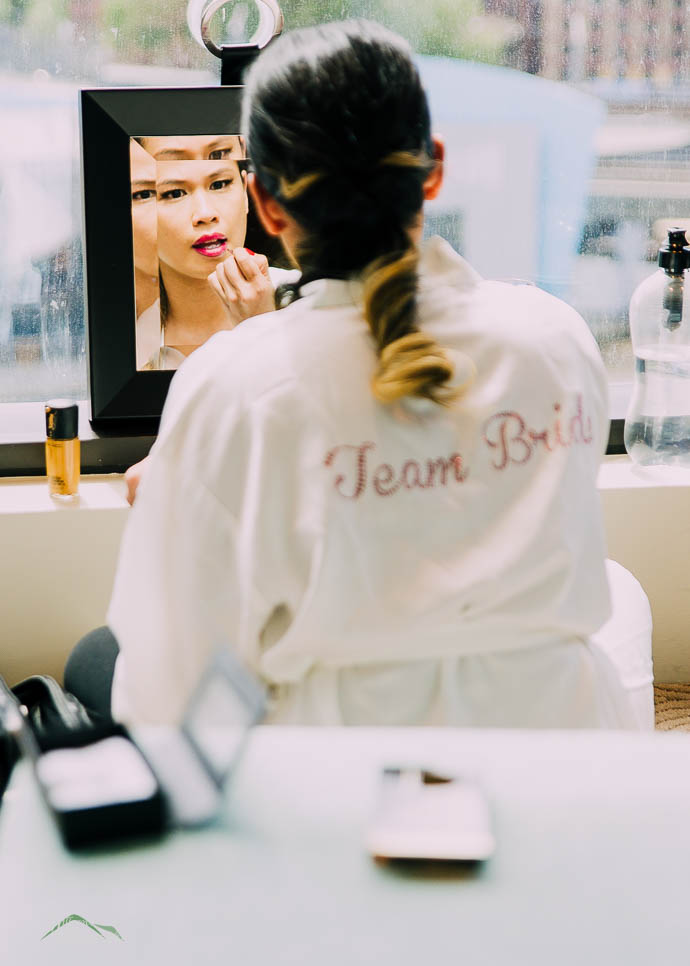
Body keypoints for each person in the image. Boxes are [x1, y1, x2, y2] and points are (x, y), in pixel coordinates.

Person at [72, 19, 654, 729]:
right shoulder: (555, 339)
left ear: (264, 203)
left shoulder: (234, 386)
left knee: (100, 662)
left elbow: (164, 694)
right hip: (552, 746)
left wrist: (198, 472)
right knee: (621, 595)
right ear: (433, 167)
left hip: (342, 785)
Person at [133, 134, 289, 370]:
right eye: (174, 193)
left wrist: (261, 327)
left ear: (246, 191)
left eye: (220, 184)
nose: (206, 214)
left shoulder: (306, 304)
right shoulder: (132, 346)